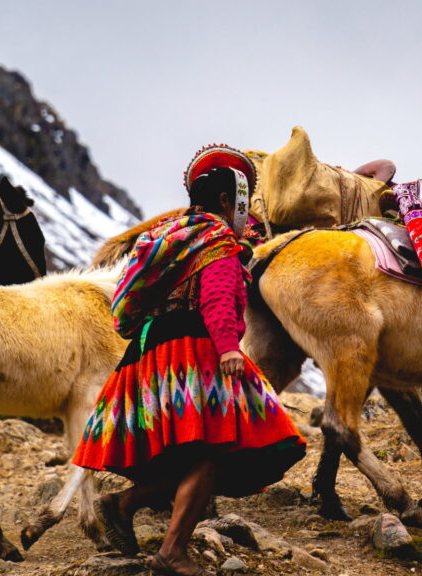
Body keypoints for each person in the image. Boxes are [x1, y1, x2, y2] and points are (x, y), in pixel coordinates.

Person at [72, 144, 307, 576]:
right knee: (215, 451)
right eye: (242, 202)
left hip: (149, 354)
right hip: (196, 354)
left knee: (198, 455)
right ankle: (170, 550)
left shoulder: (168, 238)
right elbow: (218, 298)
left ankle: (123, 505)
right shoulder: (217, 240)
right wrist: (229, 348)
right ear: (225, 201)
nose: (245, 212)